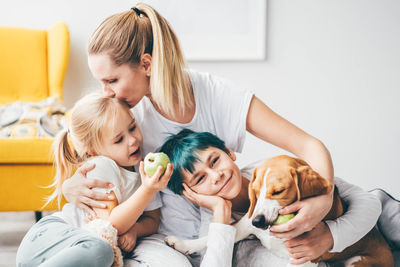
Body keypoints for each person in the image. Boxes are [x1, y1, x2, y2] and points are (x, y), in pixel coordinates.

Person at [61, 3, 380, 266]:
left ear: (146, 64)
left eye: (112, 80)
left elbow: (308, 145)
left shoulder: (217, 95)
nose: (107, 93)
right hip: (173, 237)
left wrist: (322, 206)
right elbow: (83, 145)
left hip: (234, 220)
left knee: (373, 208)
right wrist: (70, 183)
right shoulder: (126, 115)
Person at [156, 129, 383, 266]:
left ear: (229, 152)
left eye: (215, 161)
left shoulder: (276, 171)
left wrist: (331, 236)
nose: (216, 176)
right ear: (191, 194)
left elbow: (369, 201)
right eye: (199, 179)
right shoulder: (216, 224)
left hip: (364, 256)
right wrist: (219, 212)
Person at [16, 92, 189, 267]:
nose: (132, 140)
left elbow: (153, 219)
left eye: (132, 127)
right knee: (102, 250)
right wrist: (147, 190)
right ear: (93, 151)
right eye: (119, 140)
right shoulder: (102, 166)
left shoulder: (142, 169)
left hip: (76, 248)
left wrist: (136, 230)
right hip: (51, 239)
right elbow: (112, 223)